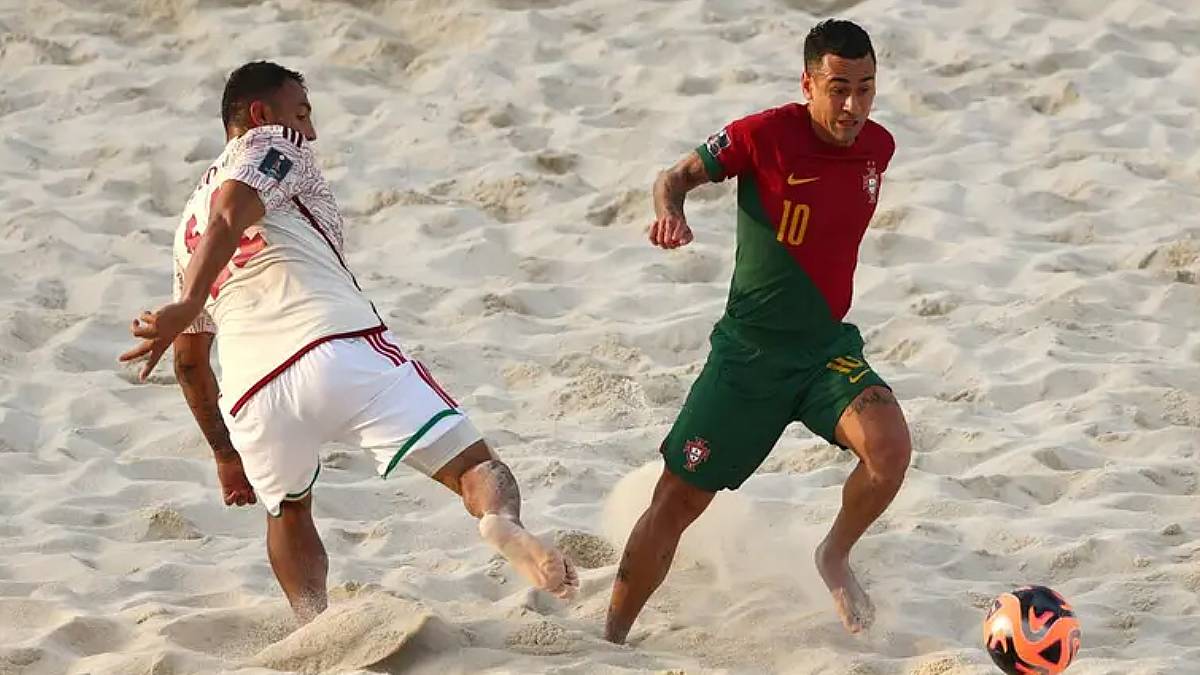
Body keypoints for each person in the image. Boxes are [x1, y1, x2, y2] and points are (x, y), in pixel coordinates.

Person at [119, 61, 578, 622]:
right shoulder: (274, 143)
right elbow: (232, 213)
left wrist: (223, 453)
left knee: (287, 512)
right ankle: (503, 524)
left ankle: (314, 626)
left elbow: (190, 363)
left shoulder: (183, 227)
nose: (309, 132)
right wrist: (190, 304)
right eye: (302, 113)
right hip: (333, 344)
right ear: (261, 114)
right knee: (476, 470)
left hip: (250, 393)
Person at [605, 19, 910, 643]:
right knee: (676, 505)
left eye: (866, 88)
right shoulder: (763, 135)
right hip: (748, 356)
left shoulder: (879, 147)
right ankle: (608, 637)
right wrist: (670, 215)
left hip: (825, 349)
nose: (852, 105)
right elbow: (674, 178)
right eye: (838, 88)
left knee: (890, 452)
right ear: (808, 84)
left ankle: (833, 555)